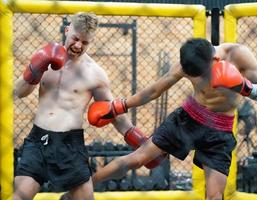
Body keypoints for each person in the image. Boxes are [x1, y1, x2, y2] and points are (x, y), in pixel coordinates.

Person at [87, 38, 257, 200]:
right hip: (188, 119)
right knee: (137, 158)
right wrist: (119, 106)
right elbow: (154, 90)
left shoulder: (238, 55)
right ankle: (83, 188)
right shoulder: (188, 63)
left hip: (220, 131)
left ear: (216, 59)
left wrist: (246, 87)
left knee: (214, 195)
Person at [13, 12, 164, 200]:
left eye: (84, 43)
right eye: (75, 39)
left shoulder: (95, 74)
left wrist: (142, 143)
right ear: (67, 30)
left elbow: (114, 114)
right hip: (38, 140)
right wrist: (35, 69)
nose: (78, 46)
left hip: (70, 144)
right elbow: (17, 92)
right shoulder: (45, 56)